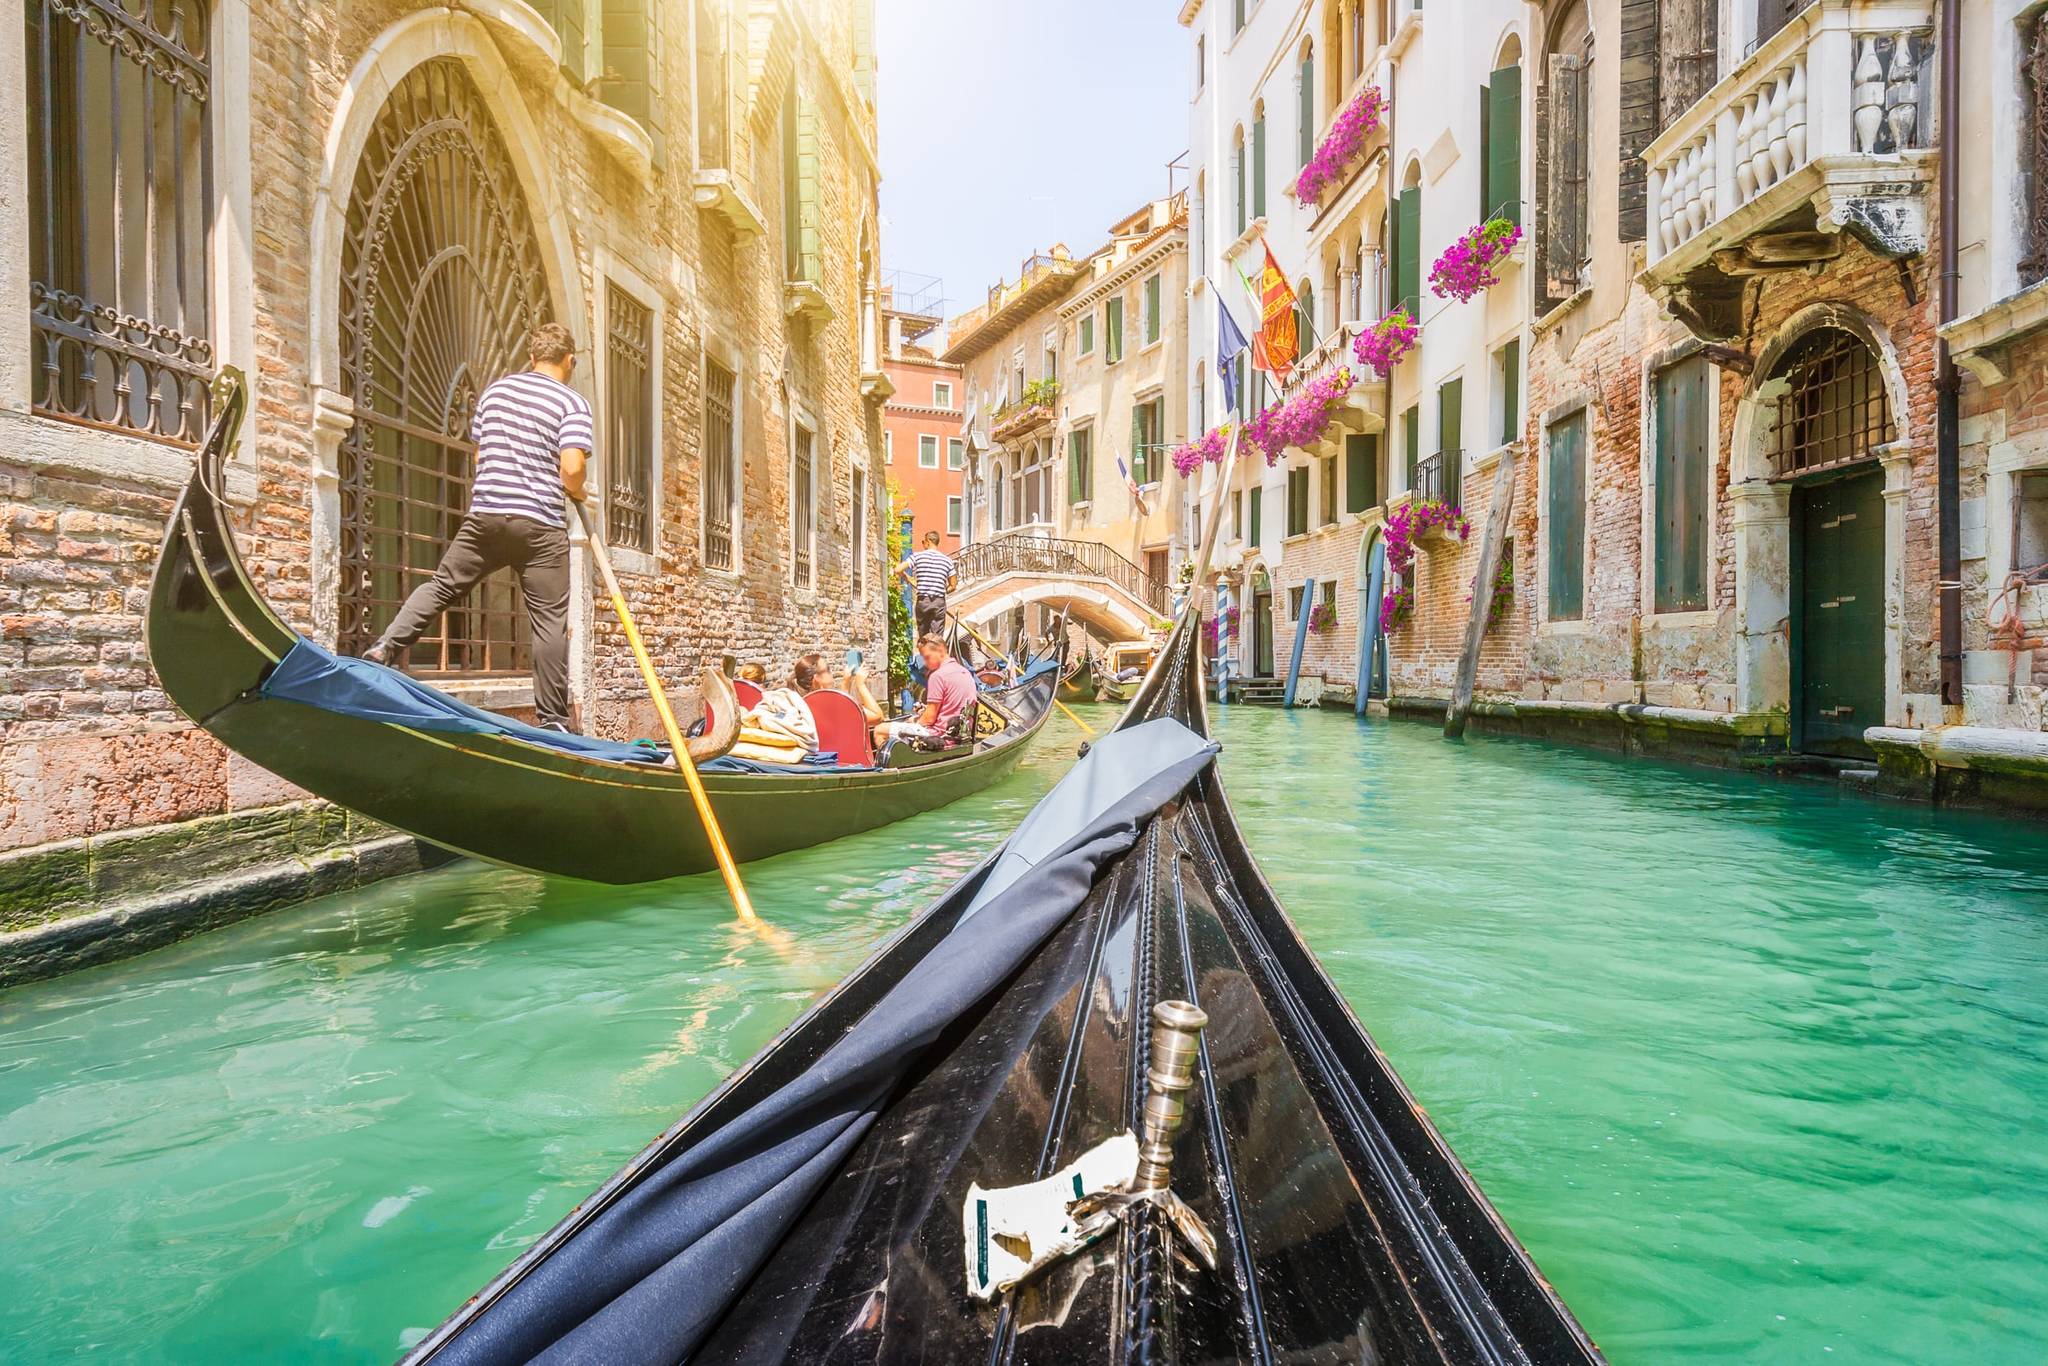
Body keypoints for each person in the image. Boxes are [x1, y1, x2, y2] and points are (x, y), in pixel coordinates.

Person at [362, 323, 591, 732]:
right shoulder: (572, 402)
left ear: (533, 357)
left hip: (486, 516)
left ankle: (385, 646)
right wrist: (578, 489)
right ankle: (554, 720)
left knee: (442, 586)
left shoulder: (495, 393)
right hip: (541, 527)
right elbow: (571, 468)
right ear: (570, 359)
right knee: (549, 623)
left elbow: (481, 456)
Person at [874, 634, 976, 749]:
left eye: (927, 657)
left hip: (938, 736)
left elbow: (929, 719)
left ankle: (890, 766)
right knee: (910, 719)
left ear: (941, 650)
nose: (925, 663)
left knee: (880, 730)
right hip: (959, 735)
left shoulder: (937, 676)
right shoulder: (964, 672)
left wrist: (913, 723)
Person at [896, 530, 956, 638]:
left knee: (924, 638)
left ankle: (925, 654)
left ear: (928, 542)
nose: (922, 544)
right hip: (938, 602)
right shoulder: (947, 560)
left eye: (923, 542)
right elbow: (953, 585)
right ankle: (936, 654)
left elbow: (898, 569)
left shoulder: (917, 556)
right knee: (936, 638)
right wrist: (944, 589)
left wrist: (909, 579)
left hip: (923, 601)